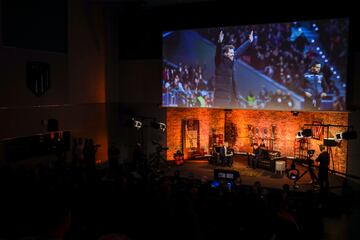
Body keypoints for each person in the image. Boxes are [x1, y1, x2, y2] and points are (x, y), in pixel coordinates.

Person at [214, 30, 254, 108]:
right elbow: (218, 52)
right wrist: (219, 42)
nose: (233, 55)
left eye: (233, 53)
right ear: (225, 54)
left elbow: (240, 50)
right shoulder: (219, 61)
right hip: (221, 99)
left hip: (231, 97)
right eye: (231, 53)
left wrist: (249, 41)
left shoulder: (232, 59)